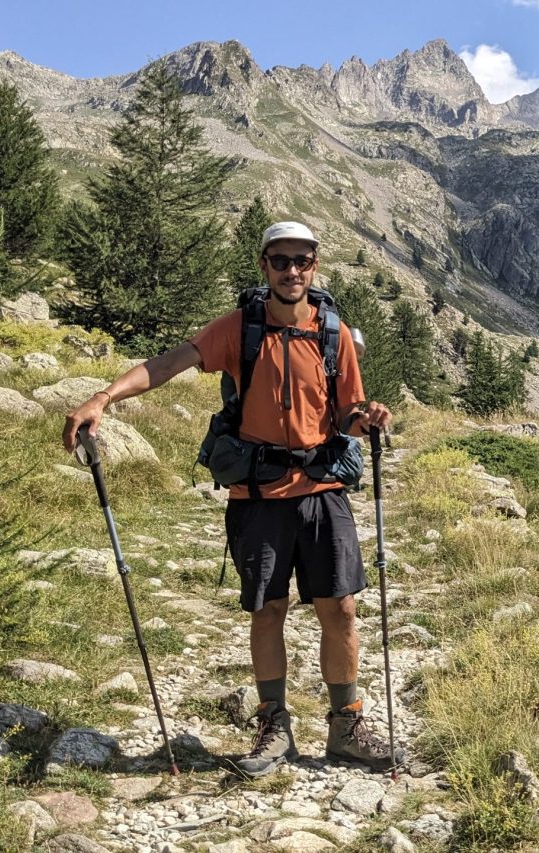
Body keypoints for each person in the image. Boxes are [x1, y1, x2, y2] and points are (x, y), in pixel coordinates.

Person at [63, 221, 404, 777]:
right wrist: (104, 397)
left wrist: (366, 417)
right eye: (280, 260)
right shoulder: (238, 329)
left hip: (322, 491)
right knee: (268, 610)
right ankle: (274, 725)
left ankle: (346, 724)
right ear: (264, 265)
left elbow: (346, 409)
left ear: (315, 265)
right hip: (258, 492)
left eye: (302, 260)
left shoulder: (333, 331)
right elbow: (167, 364)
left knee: (339, 608)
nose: (291, 270)